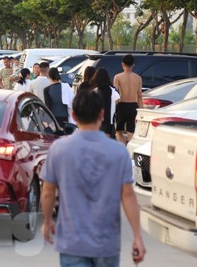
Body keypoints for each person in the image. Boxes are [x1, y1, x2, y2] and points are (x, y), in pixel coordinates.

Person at [41, 89, 146, 267]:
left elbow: (48, 192)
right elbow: (128, 195)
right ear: (102, 114)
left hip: (72, 244)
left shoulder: (59, 149)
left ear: (73, 115)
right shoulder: (119, 151)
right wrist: (137, 236)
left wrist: (47, 221)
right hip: (107, 244)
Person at [113, 54, 143, 145]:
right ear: (133, 65)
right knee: (131, 131)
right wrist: (141, 110)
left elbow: (116, 95)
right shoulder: (138, 78)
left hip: (122, 105)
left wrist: (114, 108)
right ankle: (130, 150)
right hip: (134, 106)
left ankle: (122, 149)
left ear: (123, 64)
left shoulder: (118, 77)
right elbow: (139, 96)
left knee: (119, 130)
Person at [89, 68, 120, 138]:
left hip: (96, 121)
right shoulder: (113, 90)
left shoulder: (95, 91)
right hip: (109, 121)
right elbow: (118, 100)